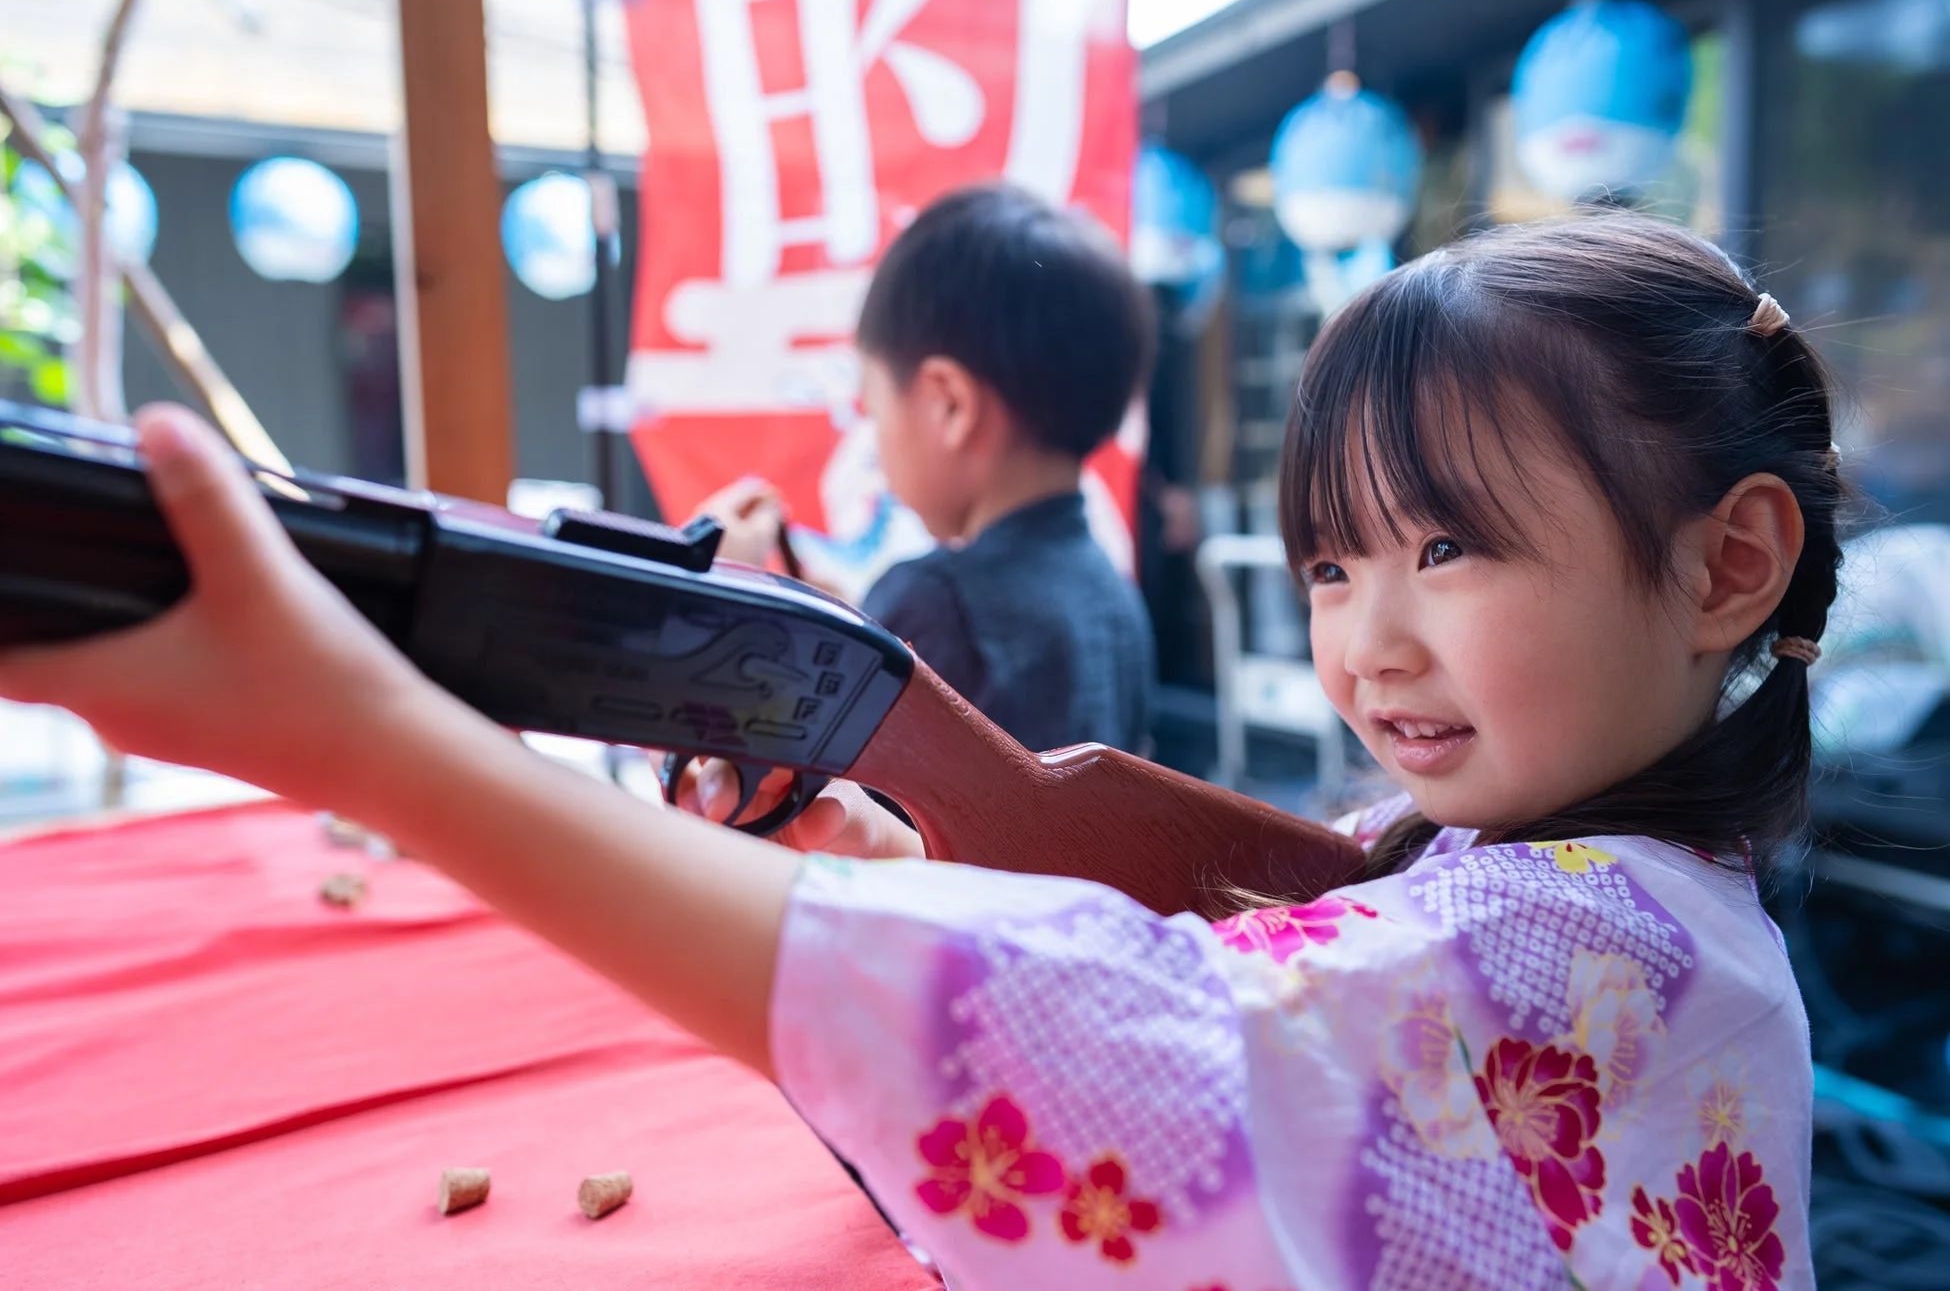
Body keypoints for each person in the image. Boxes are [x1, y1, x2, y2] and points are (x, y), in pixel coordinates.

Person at [0, 210, 1831, 1290]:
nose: (1372, 640)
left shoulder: (1598, 935)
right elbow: (1275, 977)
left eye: (1451, 546)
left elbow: (1148, 1046)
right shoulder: (1613, 896)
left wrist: (380, 741)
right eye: (1335, 563)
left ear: (1725, 564)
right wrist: (892, 866)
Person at [697, 184, 1157, 755]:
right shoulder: (1115, 596)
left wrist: (715, 598)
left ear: (950, 406)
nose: (874, 436)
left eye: (874, 405)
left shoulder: (936, 603)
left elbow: (776, 792)